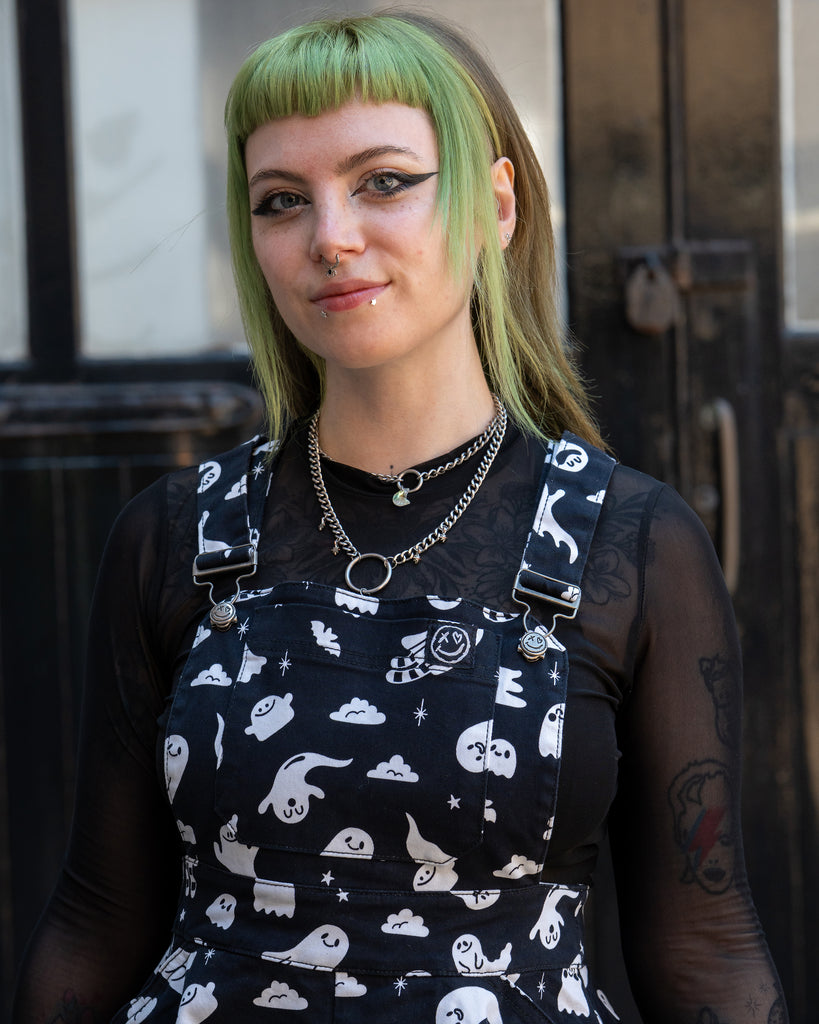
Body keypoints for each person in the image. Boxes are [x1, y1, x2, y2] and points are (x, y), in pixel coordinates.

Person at [13, 11, 787, 1023]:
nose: (331, 237)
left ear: (493, 206)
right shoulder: (176, 536)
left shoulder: (627, 544)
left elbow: (708, 957)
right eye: (282, 200)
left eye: (384, 181)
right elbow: (96, 918)